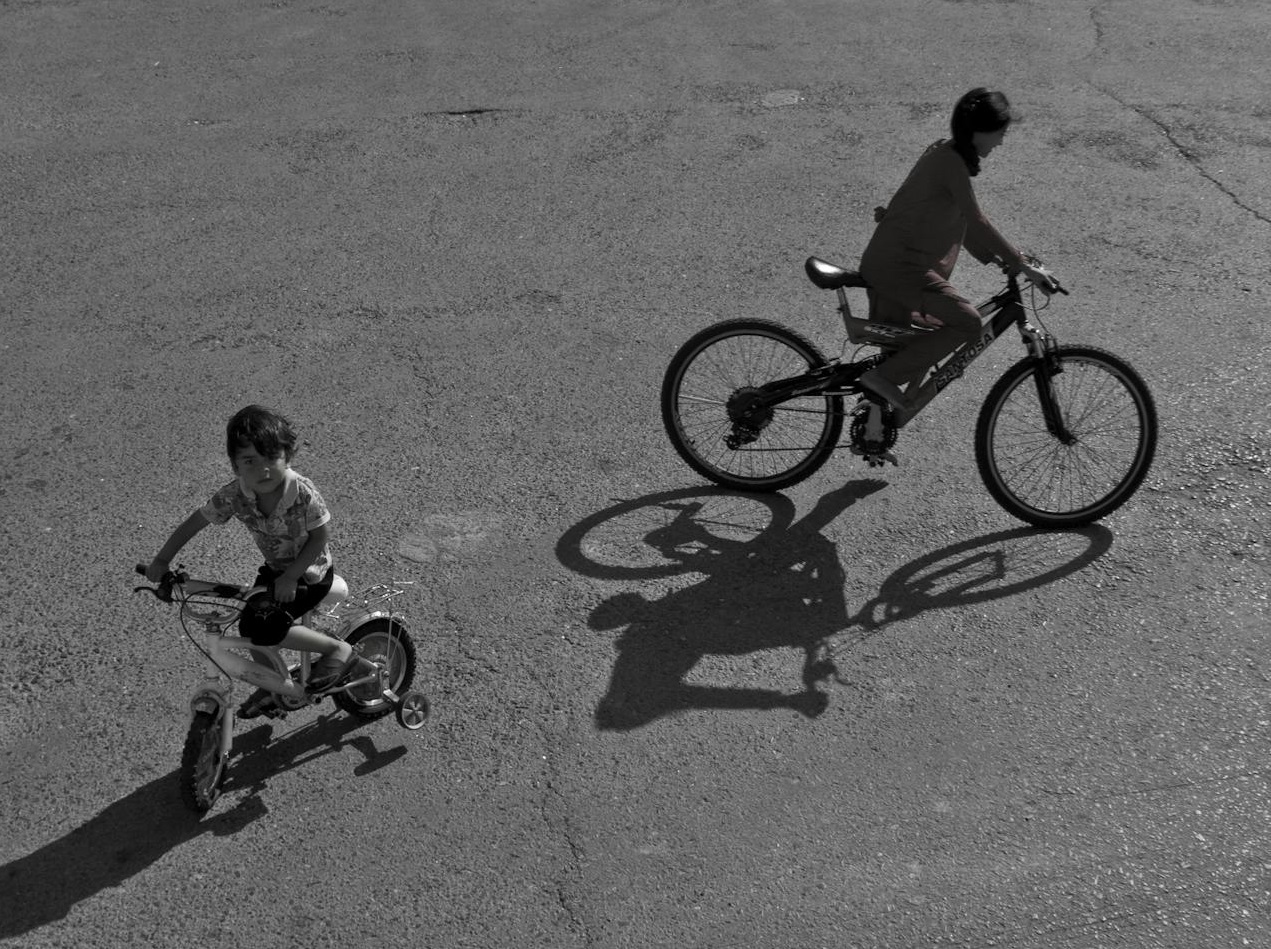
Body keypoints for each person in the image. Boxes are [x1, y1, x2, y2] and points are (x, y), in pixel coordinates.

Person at [146, 405, 372, 714]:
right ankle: (273, 685)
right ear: (235, 465)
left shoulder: (303, 493)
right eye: (250, 461)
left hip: (312, 573)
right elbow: (195, 522)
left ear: (287, 457)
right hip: (276, 570)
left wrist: (292, 576)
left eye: (271, 458)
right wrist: (162, 560)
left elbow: (320, 538)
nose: (262, 470)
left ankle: (338, 649)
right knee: (252, 628)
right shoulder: (234, 495)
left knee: (264, 625)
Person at [856, 87, 1056, 410]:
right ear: (980, 131)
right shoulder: (950, 163)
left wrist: (999, 259)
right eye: (1001, 133)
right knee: (967, 322)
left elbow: (962, 223)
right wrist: (1022, 264)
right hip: (899, 268)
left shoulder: (945, 155)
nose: (1002, 141)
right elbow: (977, 220)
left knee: (907, 350)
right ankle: (880, 381)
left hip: (896, 264)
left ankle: (874, 432)